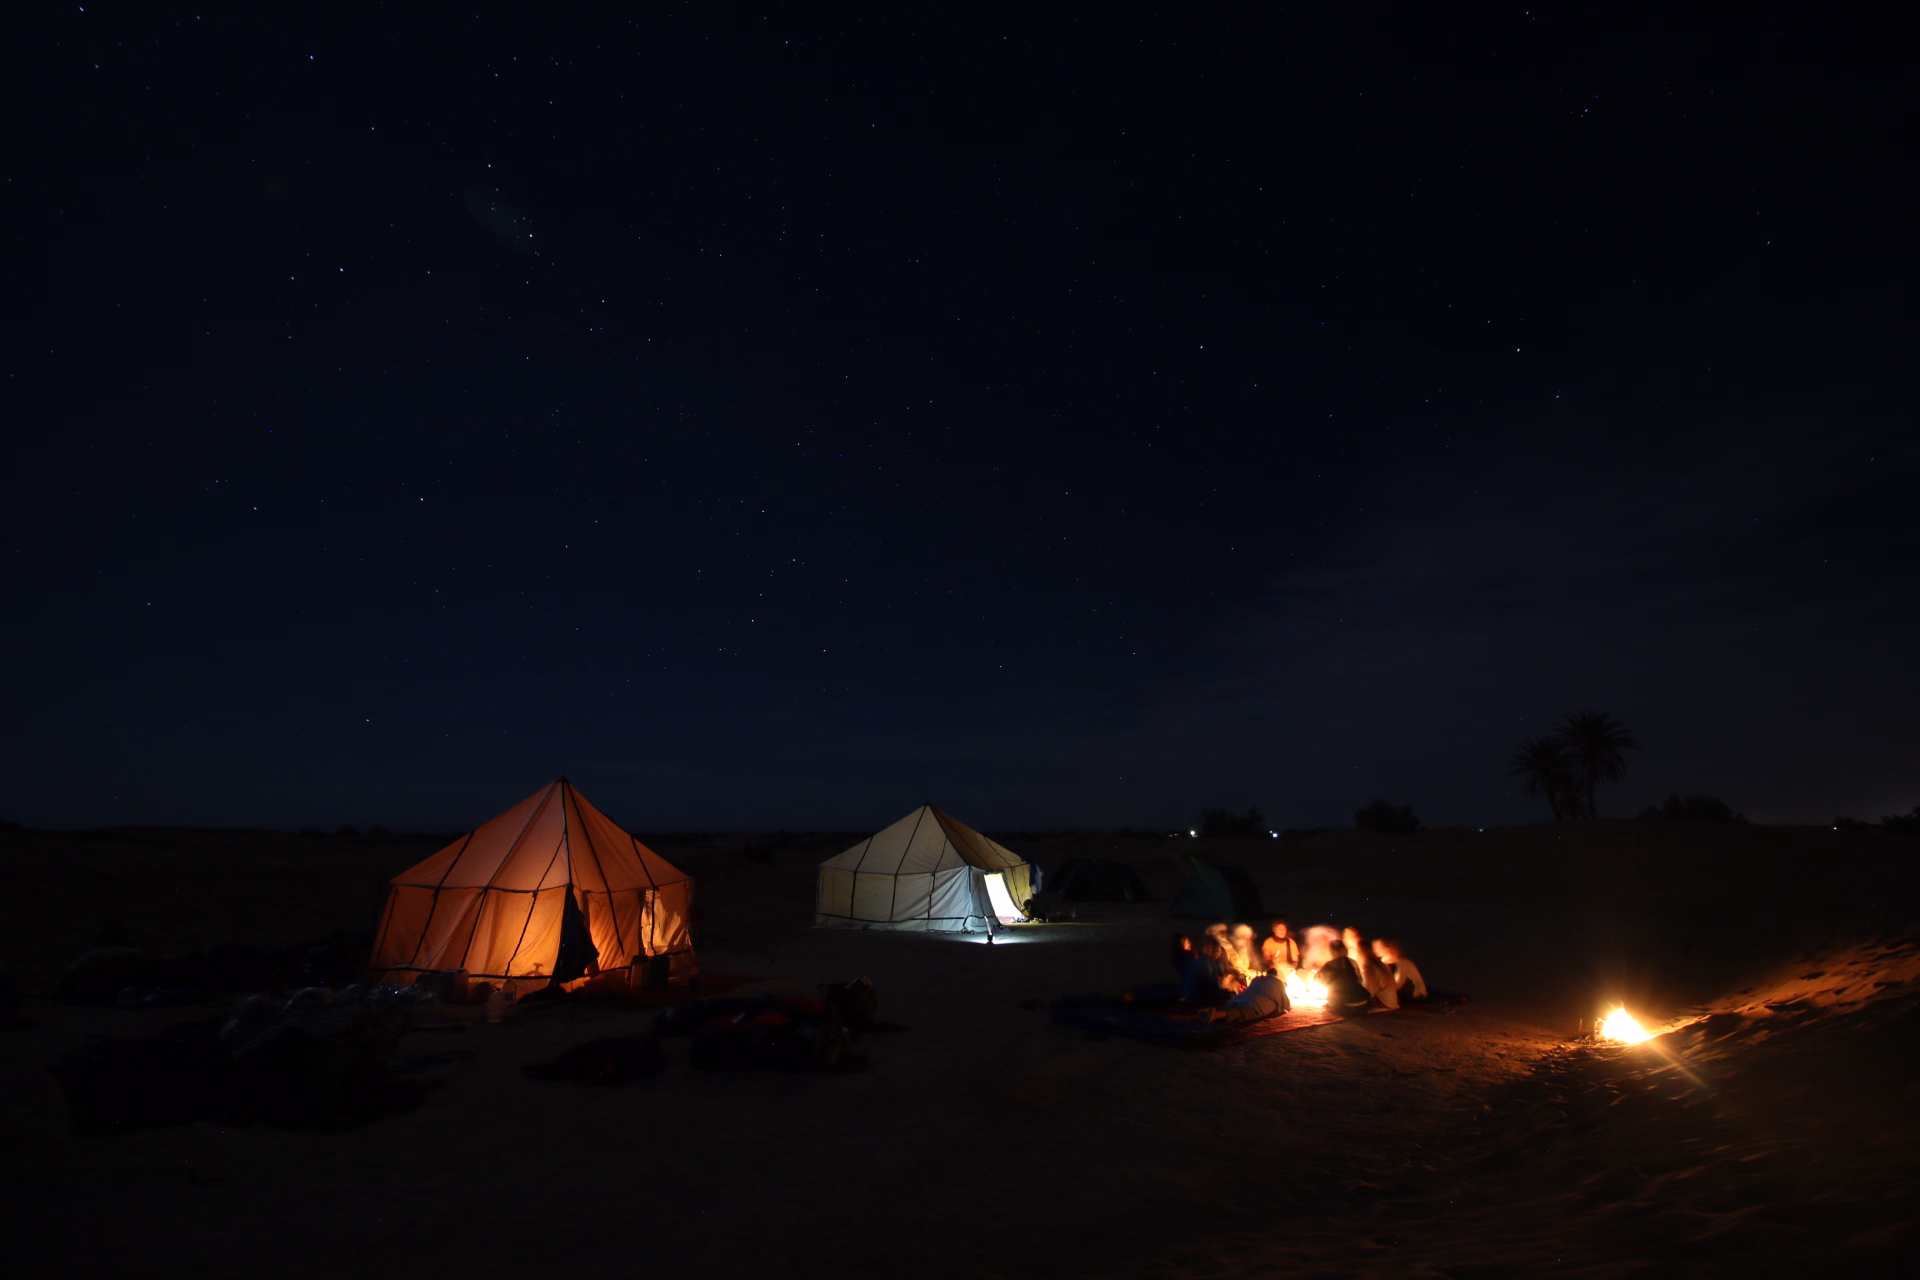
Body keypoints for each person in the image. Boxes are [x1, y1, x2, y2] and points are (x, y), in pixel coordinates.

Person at [1203, 974, 1292, 1026]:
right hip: (1257, 1004)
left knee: (1232, 1005)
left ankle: (1207, 1013)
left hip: (1243, 997)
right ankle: (1217, 1014)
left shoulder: (1257, 979)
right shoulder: (1278, 982)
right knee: (1241, 1012)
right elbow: (1285, 1003)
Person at [1344, 927, 1399, 1010]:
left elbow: (1367, 993)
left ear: (1361, 953)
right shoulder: (1382, 965)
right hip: (1393, 1003)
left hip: (1384, 1005)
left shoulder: (1368, 969)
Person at [1181, 934, 1240, 1006]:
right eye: (1218, 950)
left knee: (1230, 994)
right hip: (1198, 996)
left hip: (1198, 994)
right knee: (1230, 996)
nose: (1220, 953)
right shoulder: (1204, 962)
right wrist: (1223, 985)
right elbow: (1212, 983)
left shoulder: (1210, 961)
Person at [1315, 939, 1371, 1013]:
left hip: (1345, 1007)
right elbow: (1359, 980)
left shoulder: (1330, 965)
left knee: (1332, 994)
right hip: (1364, 1005)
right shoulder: (1353, 962)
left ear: (1333, 952)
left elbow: (1318, 980)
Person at [1373, 938, 1427, 1002]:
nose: (1375, 950)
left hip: (1416, 995)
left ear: (1387, 948)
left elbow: (1398, 984)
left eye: (1378, 947)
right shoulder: (1384, 961)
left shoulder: (1403, 963)